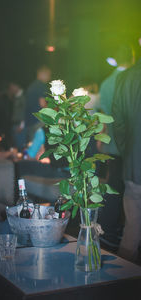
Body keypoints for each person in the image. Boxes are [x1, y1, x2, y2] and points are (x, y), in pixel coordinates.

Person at [97, 44, 134, 250]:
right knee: (126, 187)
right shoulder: (130, 80)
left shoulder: (106, 82)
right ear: (132, 56)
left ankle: (108, 229)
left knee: (113, 185)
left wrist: (102, 138)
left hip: (110, 141)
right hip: (126, 143)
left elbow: (103, 114)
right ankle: (114, 229)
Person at [112, 38, 141, 263]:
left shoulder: (125, 78)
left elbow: (118, 123)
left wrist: (129, 150)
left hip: (134, 167)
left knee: (132, 231)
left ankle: (122, 287)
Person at [24, 65, 51, 143]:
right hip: (38, 122)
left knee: (31, 146)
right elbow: (42, 105)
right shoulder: (41, 85)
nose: (49, 77)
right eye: (48, 75)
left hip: (29, 121)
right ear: (42, 73)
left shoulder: (31, 86)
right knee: (39, 148)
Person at [9, 82, 26, 151]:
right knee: (16, 145)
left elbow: (26, 112)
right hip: (15, 125)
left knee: (20, 146)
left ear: (16, 86)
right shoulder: (16, 97)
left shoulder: (23, 97)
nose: (10, 89)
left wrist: (21, 126)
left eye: (11, 86)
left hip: (19, 126)